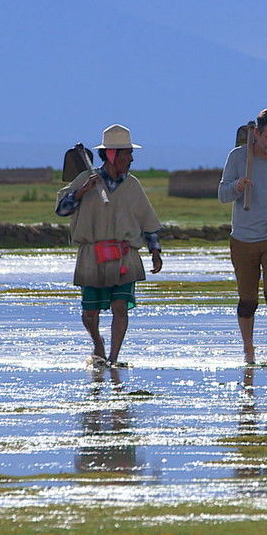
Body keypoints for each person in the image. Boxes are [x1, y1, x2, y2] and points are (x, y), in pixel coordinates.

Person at [55, 124, 163, 368]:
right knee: (90, 313)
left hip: (124, 254)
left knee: (119, 306)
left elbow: (147, 219)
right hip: (92, 255)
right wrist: (82, 192)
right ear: (112, 155)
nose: (131, 159)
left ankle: (113, 358)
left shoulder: (132, 185)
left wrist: (155, 251)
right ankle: (98, 344)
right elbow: (62, 210)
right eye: (127, 153)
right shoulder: (85, 181)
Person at [219, 108, 267, 365]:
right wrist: (237, 187)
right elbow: (222, 194)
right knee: (248, 300)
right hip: (243, 239)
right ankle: (249, 350)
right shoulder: (237, 157)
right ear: (256, 134)